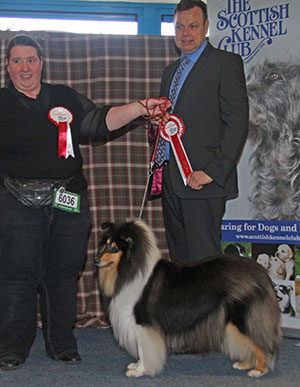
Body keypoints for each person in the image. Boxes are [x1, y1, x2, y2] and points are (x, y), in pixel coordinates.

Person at [0, 34, 170, 370]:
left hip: (68, 199)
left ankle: (62, 343)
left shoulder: (63, 97)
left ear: (41, 63)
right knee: (17, 276)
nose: (25, 67)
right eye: (17, 61)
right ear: (8, 66)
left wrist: (139, 108)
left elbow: (98, 121)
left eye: (31, 60)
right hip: (17, 201)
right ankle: (12, 347)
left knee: (64, 273)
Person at [152, 0, 249, 265]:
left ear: (206, 27)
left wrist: (212, 172)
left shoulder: (226, 63)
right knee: (182, 267)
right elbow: (170, 125)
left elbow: (238, 123)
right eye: (180, 26)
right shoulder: (170, 71)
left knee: (206, 267)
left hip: (203, 181)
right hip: (172, 181)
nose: (185, 33)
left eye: (193, 26)